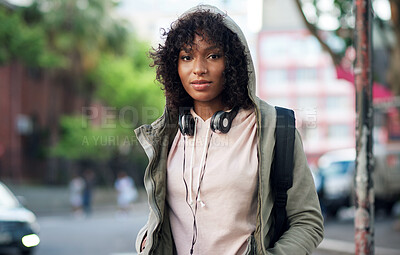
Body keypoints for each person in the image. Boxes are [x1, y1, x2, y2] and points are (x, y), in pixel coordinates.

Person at [135, 5, 324, 254]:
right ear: (174, 66)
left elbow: (308, 222)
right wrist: (145, 240)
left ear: (233, 62)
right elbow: (159, 216)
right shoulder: (167, 134)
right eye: (187, 57)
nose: (199, 68)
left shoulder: (273, 129)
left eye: (213, 56)